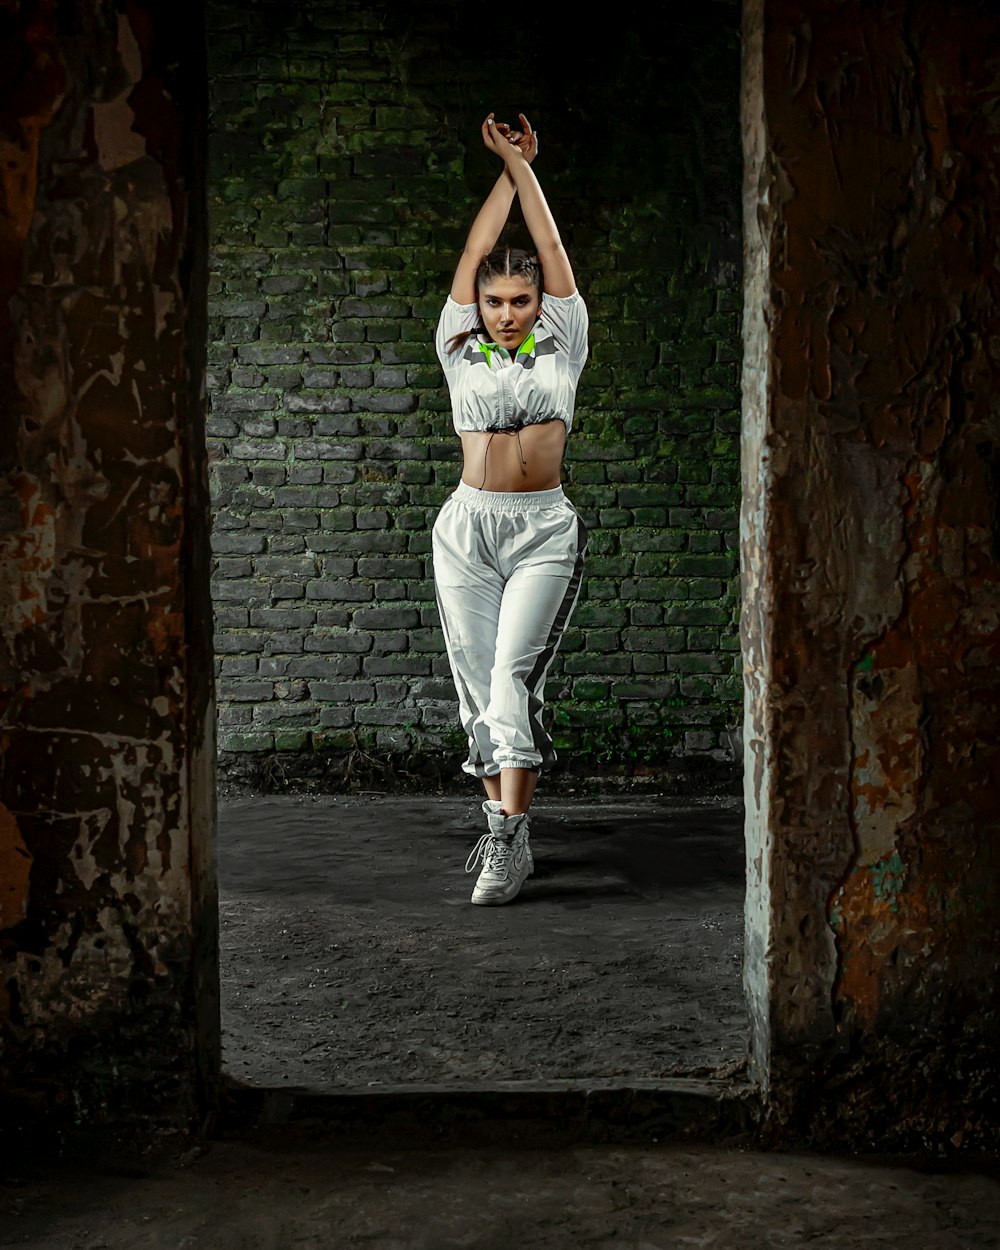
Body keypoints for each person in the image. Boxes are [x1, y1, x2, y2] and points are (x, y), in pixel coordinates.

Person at [432, 112, 589, 906]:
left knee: (508, 680)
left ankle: (506, 837)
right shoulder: (458, 342)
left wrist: (526, 170)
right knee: (475, 692)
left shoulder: (564, 336)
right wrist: (506, 168)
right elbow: (471, 253)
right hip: (467, 529)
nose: (505, 312)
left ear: (537, 303)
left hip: (541, 530)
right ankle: (507, 829)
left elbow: (553, 252)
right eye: (494, 300)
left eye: (518, 299)